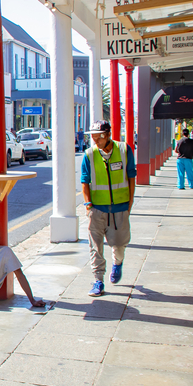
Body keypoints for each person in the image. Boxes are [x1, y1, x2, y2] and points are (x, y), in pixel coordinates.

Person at [82, 120, 136, 297]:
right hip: (97, 209)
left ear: (108, 135)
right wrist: (89, 205)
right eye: (93, 137)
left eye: (99, 137)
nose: (95, 140)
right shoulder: (89, 154)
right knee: (95, 247)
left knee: (119, 244)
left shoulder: (124, 150)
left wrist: (129, 203)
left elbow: (131, 177)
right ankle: (98, 280)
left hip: (119, 209)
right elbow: (85, 181)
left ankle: (117, 263)